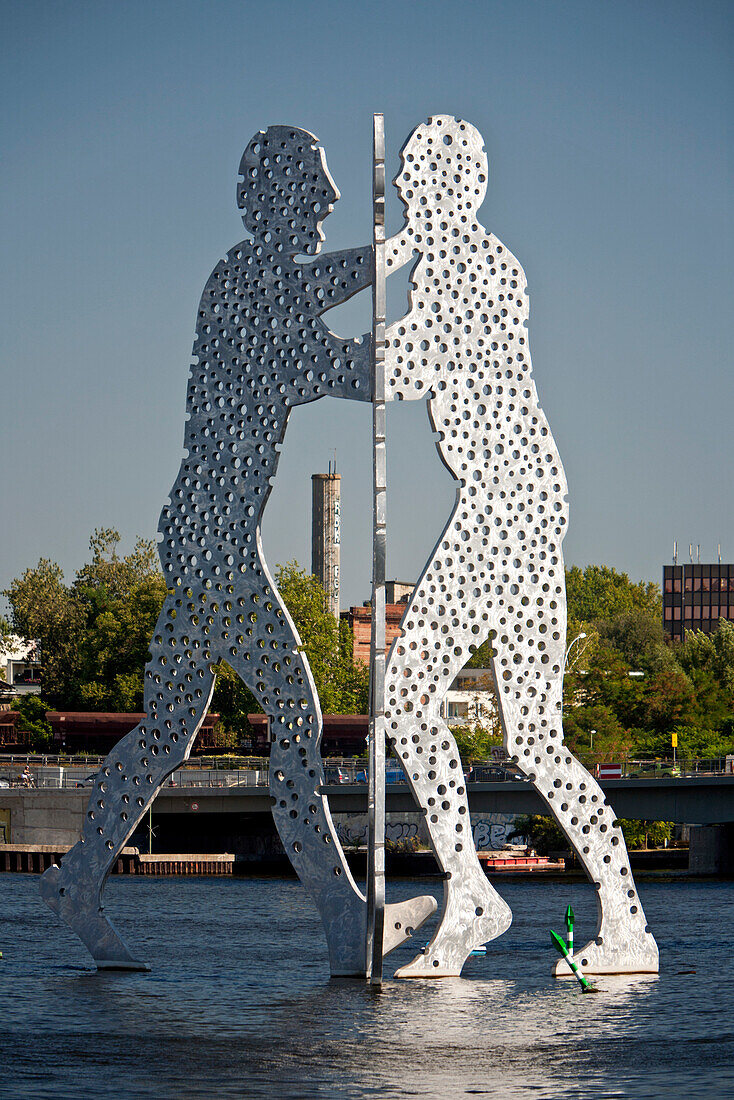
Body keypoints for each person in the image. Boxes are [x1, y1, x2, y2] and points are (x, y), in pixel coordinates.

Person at [41, 126, 434, 974]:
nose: (330, 202)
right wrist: (430, 316)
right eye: (318, 188)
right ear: (280, 198)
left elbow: (331, 290)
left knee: (169, 731)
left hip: (199, 533)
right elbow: (344, 361)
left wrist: (401, 251)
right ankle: (344, 922)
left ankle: (77, 878)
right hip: (213, 541)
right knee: (296, 718)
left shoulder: (253, 280)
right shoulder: (248, 284)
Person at [381, 115, 658, 977]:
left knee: (404, 699)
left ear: (455, 191)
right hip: (523, 500)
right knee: (535, 738)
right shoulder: (467, 261)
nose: (416, 202)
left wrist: (310, 356)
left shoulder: (473, 267)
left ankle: (473, 890)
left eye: (422, 189)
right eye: (410, 190)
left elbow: (408, 364)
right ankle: (624, 922)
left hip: (506, 505)